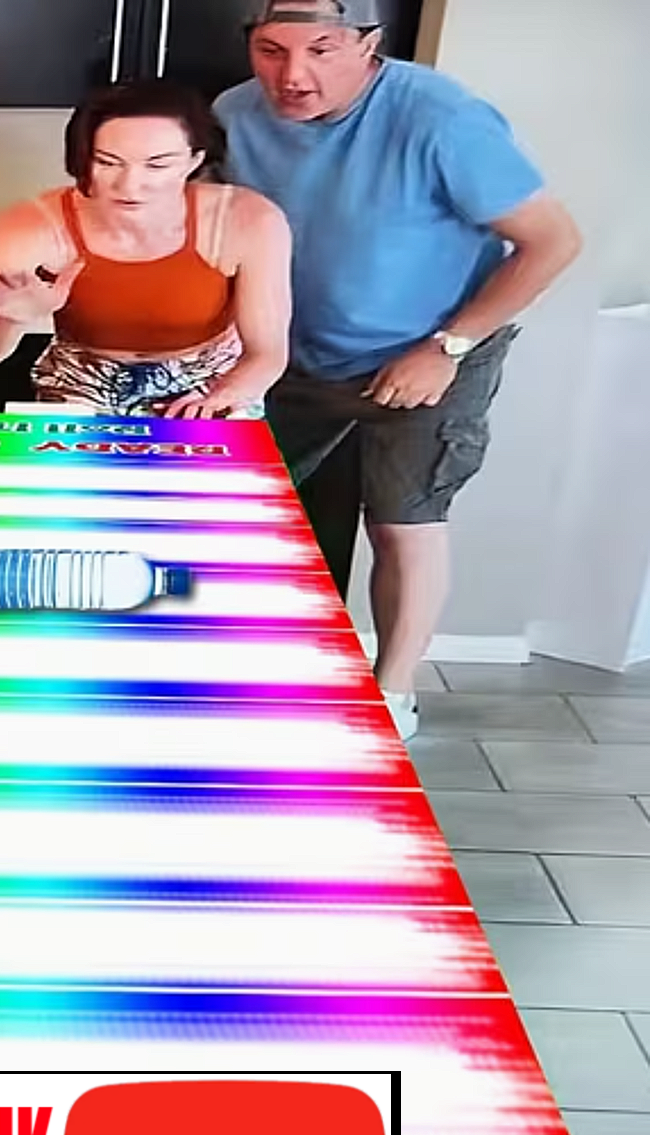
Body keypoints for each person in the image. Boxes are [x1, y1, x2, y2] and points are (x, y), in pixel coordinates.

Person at [214, 0, 582, 739]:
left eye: (321, 50)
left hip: (430, 351)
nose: (293, 76)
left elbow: (552, 241)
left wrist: (447, 347)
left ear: (369, 44)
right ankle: (254, 672)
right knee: (247, 513)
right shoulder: (232, 114)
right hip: (292, 354)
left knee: (402, 523)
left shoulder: (442, 116)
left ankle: (392, 692)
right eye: (271, 50)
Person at [0, 80, 291, 419]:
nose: (129, 186)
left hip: (211, 380)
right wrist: (8, 319)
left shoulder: (248, 220)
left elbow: (267, 354)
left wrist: (221, 396)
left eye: (157, 165)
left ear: (194, 160)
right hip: (82, 382)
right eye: (107, 162)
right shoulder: (26, 229)